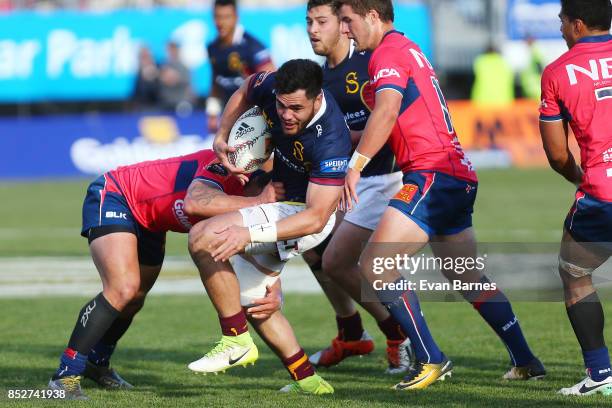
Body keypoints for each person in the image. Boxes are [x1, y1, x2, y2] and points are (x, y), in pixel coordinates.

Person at [339, 0, 544, 390]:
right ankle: (526, 359)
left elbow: (386, 112)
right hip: (456, 173)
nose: (346, 30)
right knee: (466, 275)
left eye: (348, 20)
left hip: (431, 173)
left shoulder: (388, 52)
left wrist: (355, 166)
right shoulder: (408, 49)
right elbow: (392, 119)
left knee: (375, 266)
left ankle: (431, 358)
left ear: (371, 16)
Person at [47, 149, 282, 400]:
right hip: (118, 194)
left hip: (153, 223)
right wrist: (257, 202)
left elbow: (254, 252)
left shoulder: (252, 208)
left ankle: (97, 362)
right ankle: (64, 376)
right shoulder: (228, 168)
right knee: (122, 288)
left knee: (135, 297)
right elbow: (194, 201)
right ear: (257, 183)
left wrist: (275, 289)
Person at [187, 59, 352, 394]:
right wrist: (223, 133)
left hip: (304, 215)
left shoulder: (331, 139)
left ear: (317, 99)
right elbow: (246, 89)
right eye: (281, 105)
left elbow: (318, 218)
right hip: (283, 203)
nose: (286, 115)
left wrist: (247, 234)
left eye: (296, 108)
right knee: (253, 299)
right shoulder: (273, 86)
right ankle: (309, 382)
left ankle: (235, 340)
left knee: (204, 237)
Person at [304, 0, 411, 373]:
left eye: (322, 21)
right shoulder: (319, 79)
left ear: (343, 24)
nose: (313, 30)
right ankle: (351, 333)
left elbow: (391, 118)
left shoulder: (369, 63)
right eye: (309, 22)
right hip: (347, 182)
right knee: (311, 245)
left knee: (350, 263)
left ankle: (399, 332)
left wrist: (347, 137)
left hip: (382, 178)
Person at [538, 0, 612, 396]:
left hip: (604, 190)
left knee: (575, 273)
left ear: (578, 25)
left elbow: (557, 154)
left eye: (563, 22)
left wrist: (582, 178)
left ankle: (600, 374)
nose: (562, 29)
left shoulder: (558, 71)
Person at [206, 0, 275, 133]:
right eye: (217, 17)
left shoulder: (252, 46)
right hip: (229, 117)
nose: (220, 22)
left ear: (236, 17)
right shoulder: (212, 47)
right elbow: (215, 82)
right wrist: (213, 114)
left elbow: (271, 82)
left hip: (254, 119)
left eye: (226, 17)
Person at [159, 41, 193, 114]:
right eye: (170, 50)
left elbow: (187, 82)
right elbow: (159, 82)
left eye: (173, 49)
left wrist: (175, 78)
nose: (172, 52)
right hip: (166, 103)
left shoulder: (184, 67)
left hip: (181, 104)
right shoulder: (163, 66)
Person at [132, 45, 160, 111]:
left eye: (147, 56)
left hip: (160, 107)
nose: (145, 59)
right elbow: (137, 94)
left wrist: (154, 76)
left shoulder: (159, 68)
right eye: (143, 57)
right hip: (142, 108)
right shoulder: (139, 73)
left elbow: (160, 92)